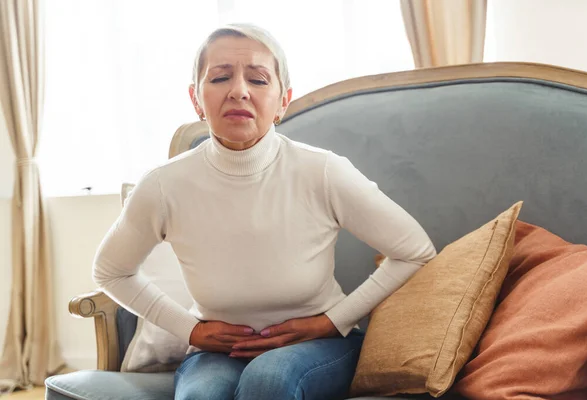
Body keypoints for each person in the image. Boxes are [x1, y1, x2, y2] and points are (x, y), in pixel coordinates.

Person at [92, 23, 437, 400]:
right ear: (196, 99)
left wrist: (330, 322)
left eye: (257, 80)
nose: (238, 91)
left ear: (283, 101)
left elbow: (415, 251)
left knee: (268, 380)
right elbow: (111, 270)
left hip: (322, 347)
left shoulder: (322, 171)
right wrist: (191, 330)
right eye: (221, 77)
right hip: (217, 353)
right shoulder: (163, 185)